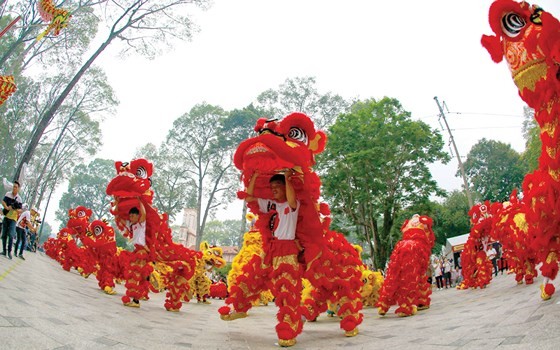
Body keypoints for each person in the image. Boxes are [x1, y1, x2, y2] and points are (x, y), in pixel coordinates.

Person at [242, 170, 303, 346]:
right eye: (272, 187)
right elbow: (249, 198)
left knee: (287, 291)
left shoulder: (293, 205)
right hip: (271, 250)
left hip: (287, 251)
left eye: (277, 186)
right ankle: (239, 306)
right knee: (252, 274)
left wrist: (286, 176)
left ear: (286, 187)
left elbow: (291, 199)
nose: (274, 189)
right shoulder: (271, 205)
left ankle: (289, 331)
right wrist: (254, 175)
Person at [117, 202, 148, 307]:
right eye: (130, 216)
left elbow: (143, 214)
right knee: (132, 275)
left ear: (137, 216)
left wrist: (140, 200)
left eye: (133, 215)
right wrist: (117, 203)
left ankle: (136, 301)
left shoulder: (141, 224)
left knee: (137, 275)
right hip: (136, 251)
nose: (131, 217)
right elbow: (119, 217)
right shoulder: (131, 225)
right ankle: (134, 299)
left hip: (142, 252)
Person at [1, 181, 23, 259]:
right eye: (13, 186)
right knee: (4, 235)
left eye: (16, 187)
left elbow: (21, 210)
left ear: (18, 189)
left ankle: (9, 251)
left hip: (13, 219)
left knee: (11, 235)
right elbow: (3, 201)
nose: (14, 188)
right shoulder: (8, 194)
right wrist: (6, 207)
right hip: (6, 217)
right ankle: (4, 250)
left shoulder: (19, 199)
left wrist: (16, 209)